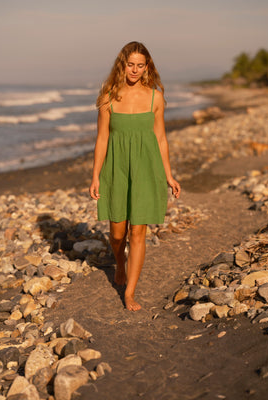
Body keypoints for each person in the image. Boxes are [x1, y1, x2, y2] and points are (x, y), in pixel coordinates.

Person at [89, 41, 181, 311]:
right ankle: (120, 261)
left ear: (147, 66)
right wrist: (95, 176)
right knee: (118, 234)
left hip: (146, 167)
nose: (135, 70)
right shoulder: (108, 95)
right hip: (116, 167)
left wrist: (169, 175)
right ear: (122, 64)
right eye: (131, 64)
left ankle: (129, 292)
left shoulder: (155, 97)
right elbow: (102, 138)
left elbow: (161, 138)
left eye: (141, 65)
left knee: (138, 231)